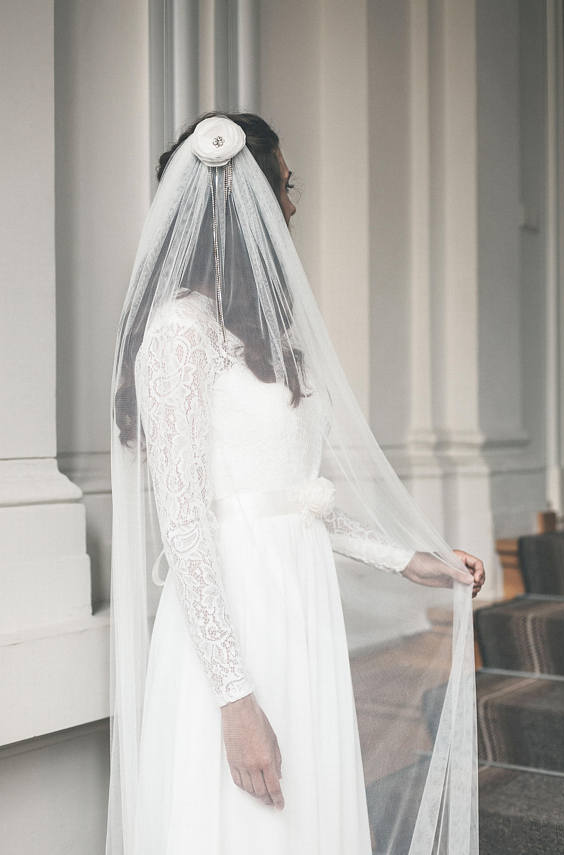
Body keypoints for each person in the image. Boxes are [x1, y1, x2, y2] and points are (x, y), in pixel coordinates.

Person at [107, 112, 485, 854]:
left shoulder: (265, 336)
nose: (290, 204)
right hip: (233, 627)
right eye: (282, 185)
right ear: (235, 203)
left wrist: (409, 559)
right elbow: (185, 523)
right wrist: (234, 700)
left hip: (299, 609)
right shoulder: (179, 335)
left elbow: (293, 497)